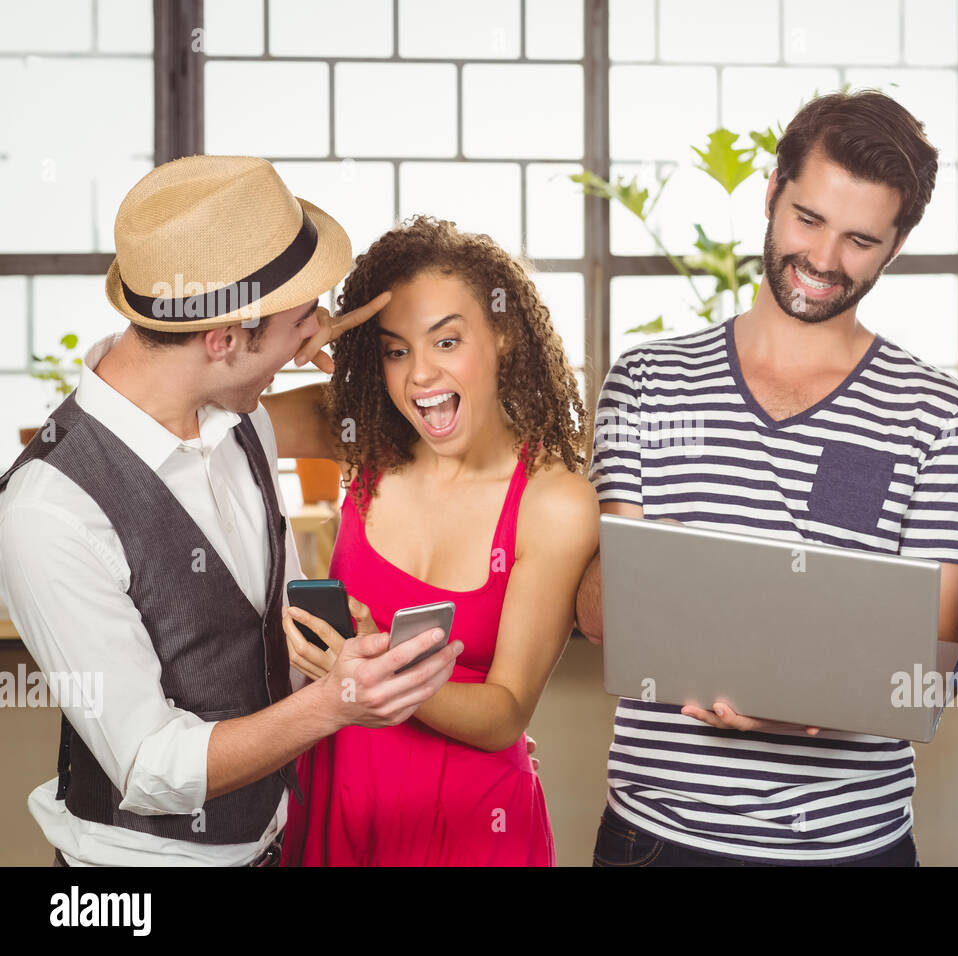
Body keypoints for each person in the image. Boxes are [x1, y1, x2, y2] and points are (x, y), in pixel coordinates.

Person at [0, 156, 459, 866]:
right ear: (221, 339)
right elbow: (150, 766)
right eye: (304, 317)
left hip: (275, 845)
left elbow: (365, 418)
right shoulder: (50, 508)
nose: (316, 330)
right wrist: (337, 701)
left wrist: (310, 345)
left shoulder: (239, 418)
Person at [575, 90, 958, 866]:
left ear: (896, 245)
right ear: (771, 194)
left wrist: (799, 702)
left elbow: (923, 662)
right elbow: (603, 619)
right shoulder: (646, 383)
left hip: (850, 846)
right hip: (657, 836)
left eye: (861, 240)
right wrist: (644, 571)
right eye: (808, 219)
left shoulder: (941, 418)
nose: (825, 261)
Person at [264, 215, 599, 866]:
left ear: (502, 335)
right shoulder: (363, 440)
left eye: (446, 342)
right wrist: (286, 343)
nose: (419, 374)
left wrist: (373, 673)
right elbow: (205, 413)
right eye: (394, 350)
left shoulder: (553, 502)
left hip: (474, 825)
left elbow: (506, 712)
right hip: (336, 801)